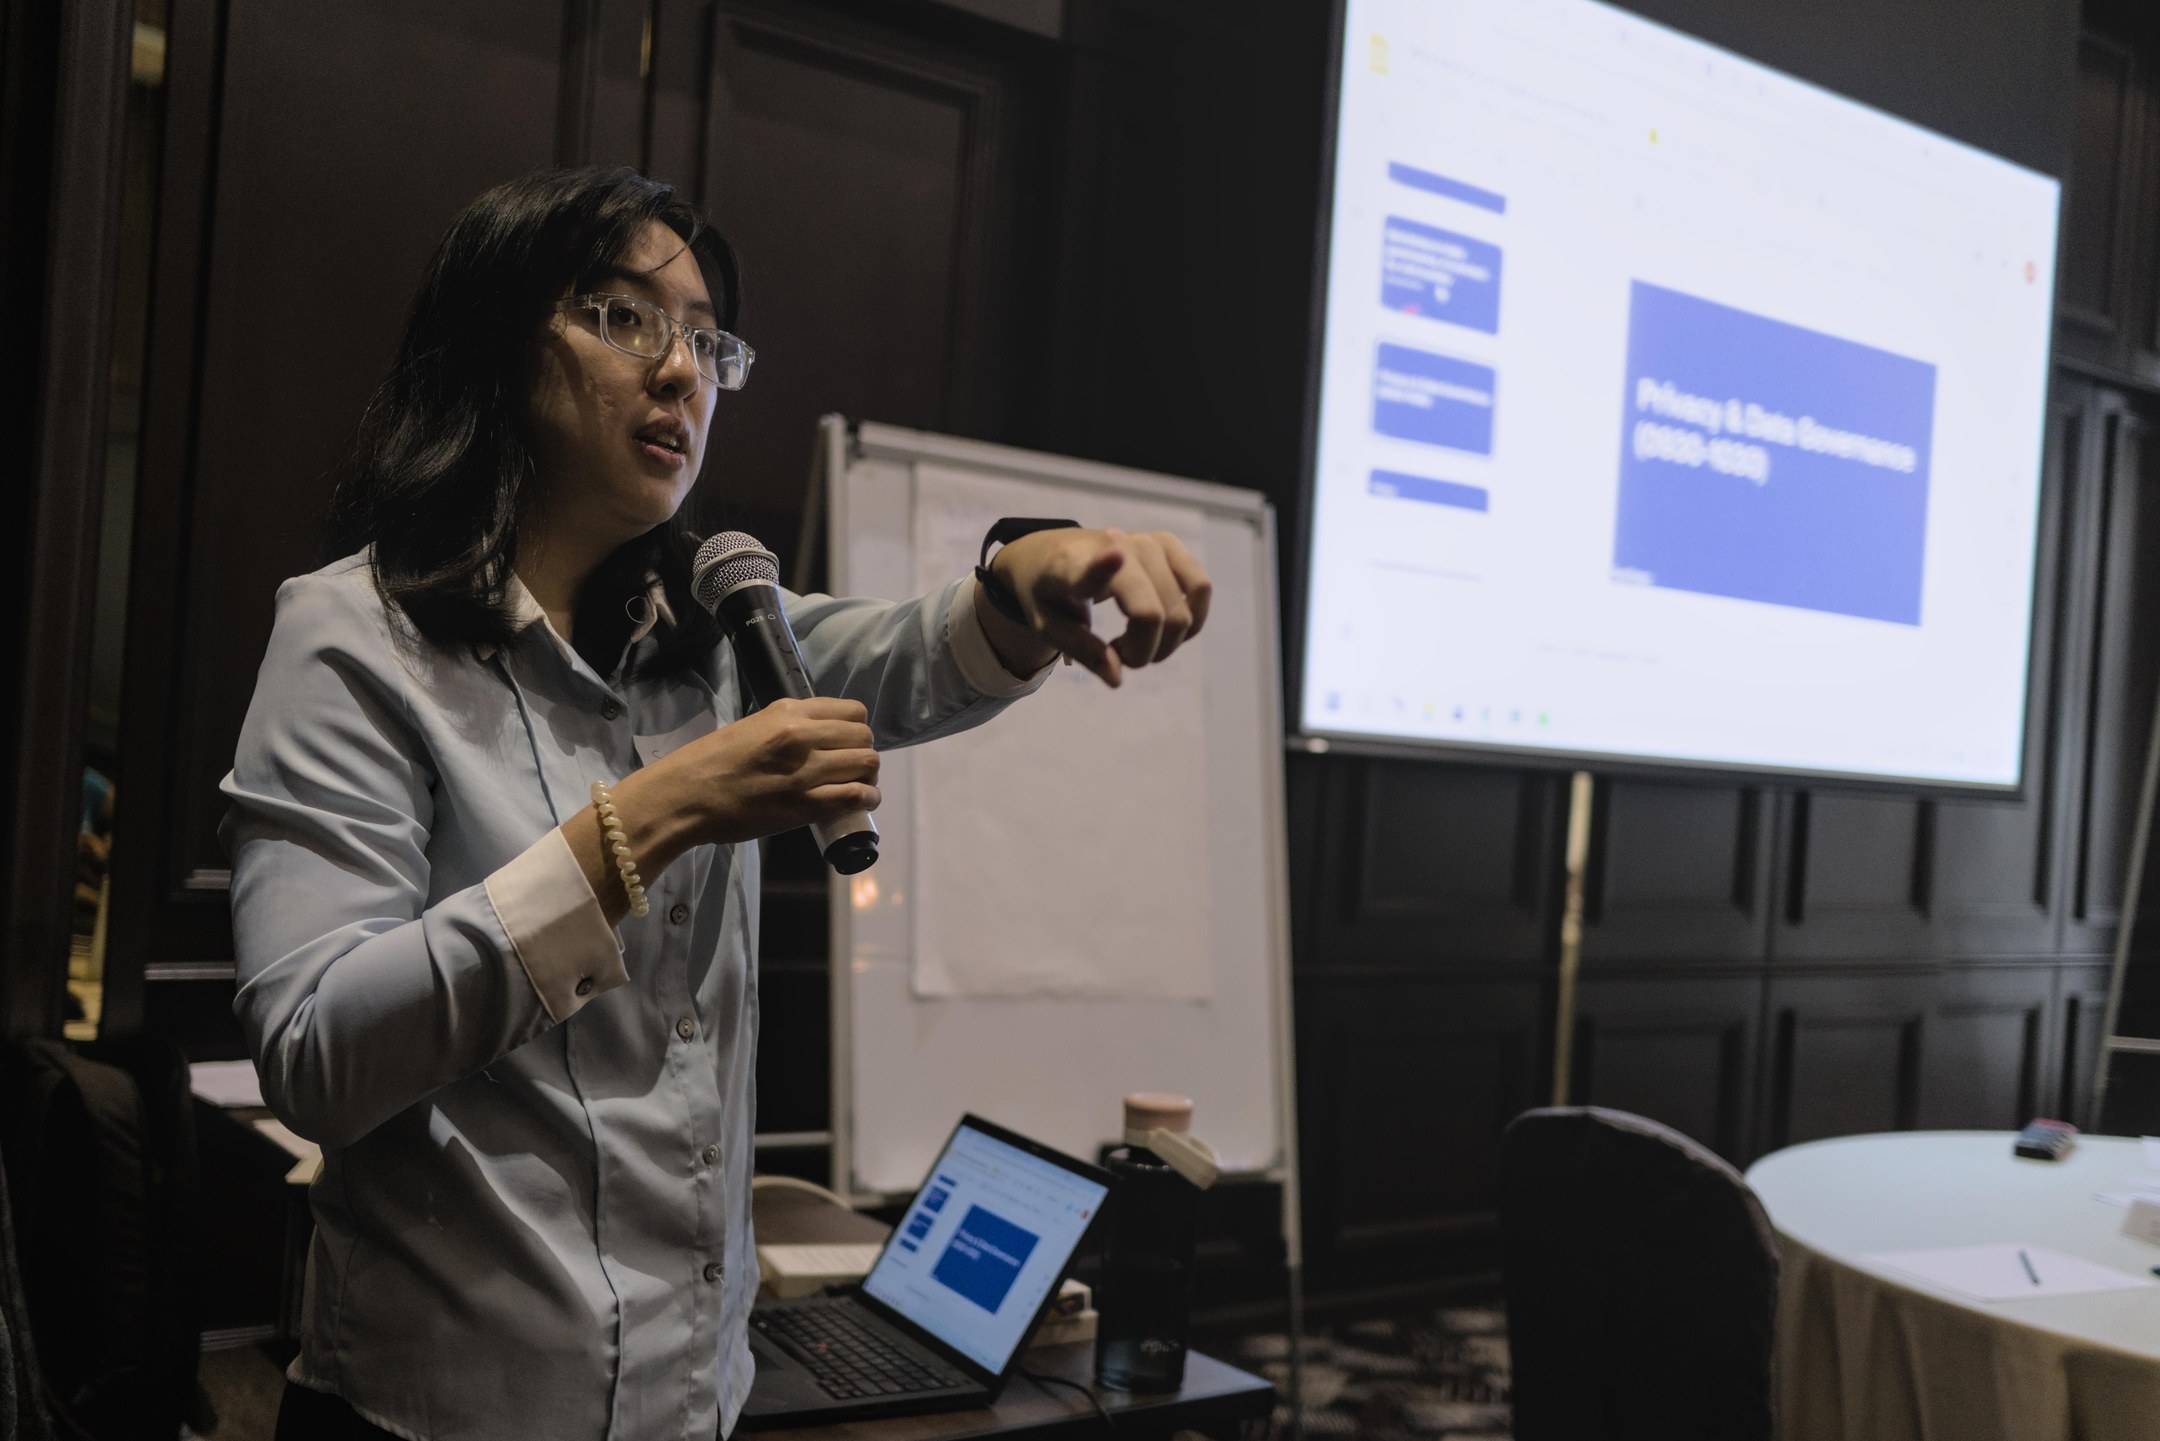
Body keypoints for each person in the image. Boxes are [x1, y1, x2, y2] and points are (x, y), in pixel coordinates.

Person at [219, 166, 1211, 1441]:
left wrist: (1032, 574)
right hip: (451, 1410)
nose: (681, 372)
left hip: (697, 1402)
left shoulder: (715, 629)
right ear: (496, 343)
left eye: (705, 339)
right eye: (623, 318)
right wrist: (645, 823)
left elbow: (914, 653)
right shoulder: (354, 636)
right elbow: (314, 1052)